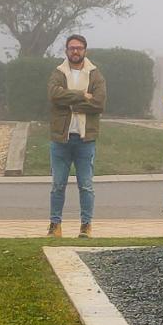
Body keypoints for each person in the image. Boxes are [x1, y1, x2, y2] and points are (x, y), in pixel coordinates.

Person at [46, 34, 106, 238]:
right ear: (66, 50)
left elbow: (98, 103)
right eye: (71, 48)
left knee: (86, 186)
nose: (75, 51)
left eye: (79, 48)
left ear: (85, 50)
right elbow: (54, 95)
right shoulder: (58, 73)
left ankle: (86, 226)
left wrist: (69, 102)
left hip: (85, 140)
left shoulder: (95, 75)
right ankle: (55, 226)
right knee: (57, 185)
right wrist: (81, 96)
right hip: (60, 139)